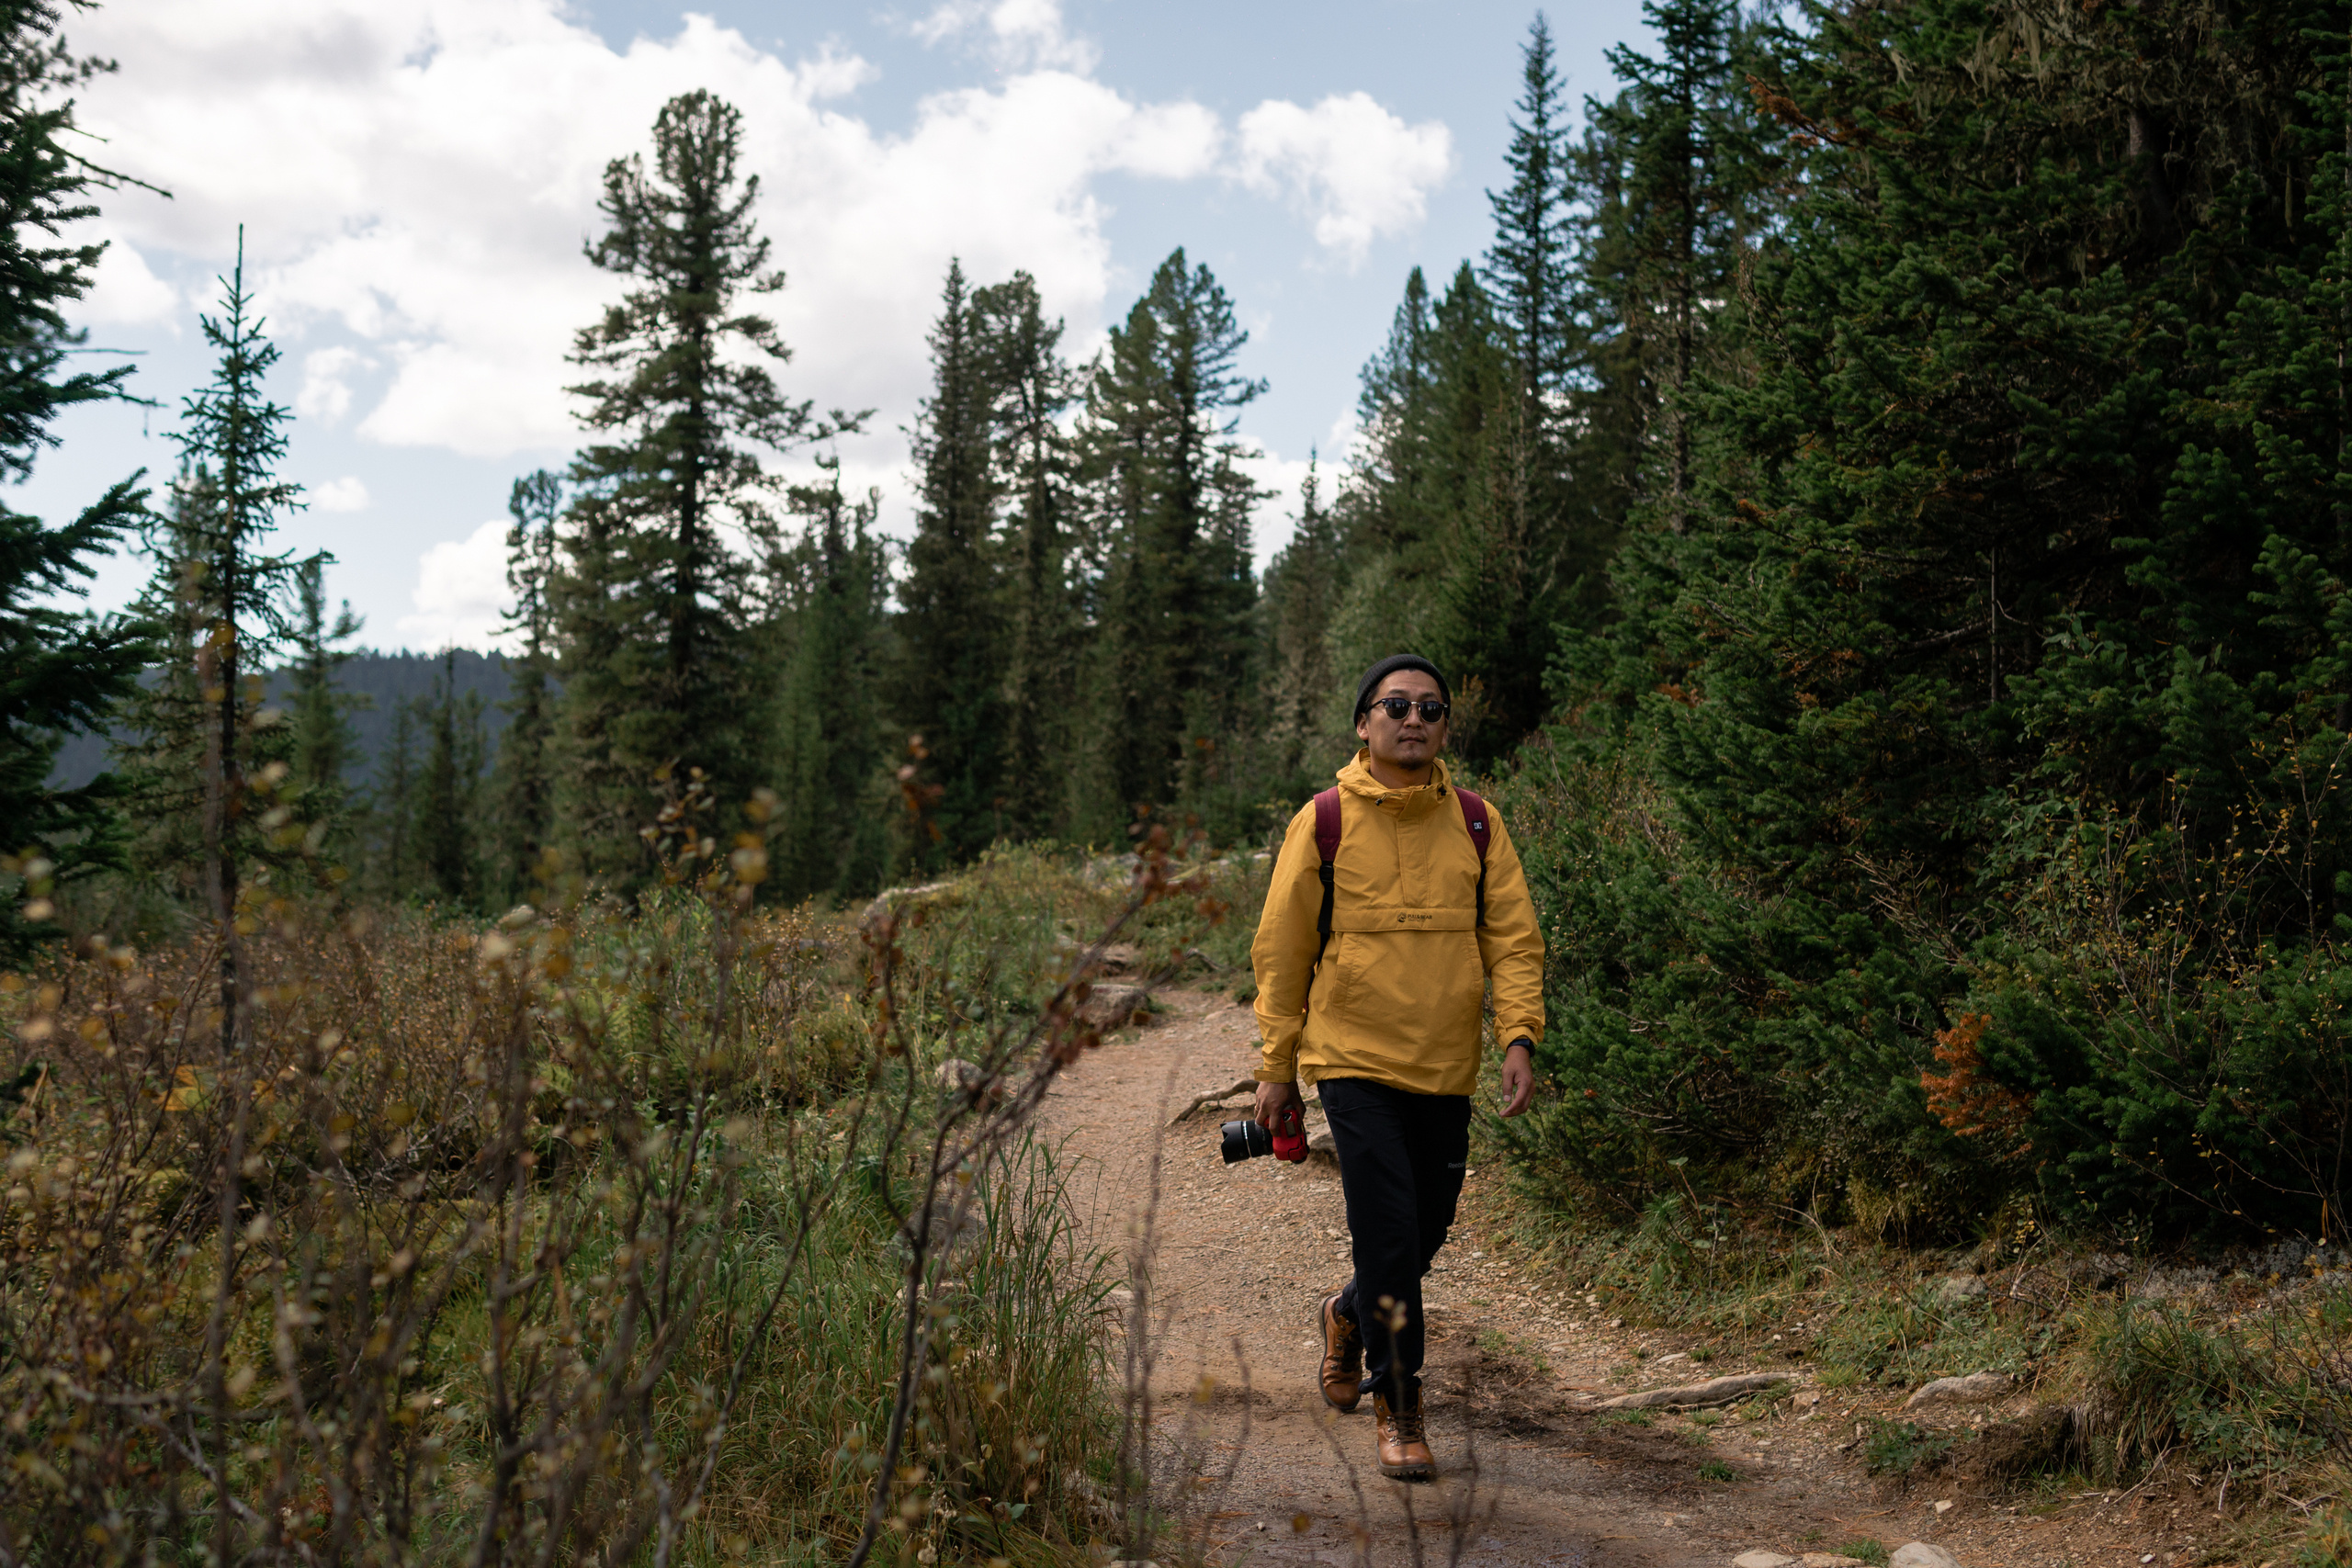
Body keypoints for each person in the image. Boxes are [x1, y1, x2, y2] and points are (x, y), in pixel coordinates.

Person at [1248, 653, 1544, 1482]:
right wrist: (1277, 1066)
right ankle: (1400, 1401)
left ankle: (1347, 1313)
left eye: (1430, 708)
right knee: (1387, 1230)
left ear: (1445, 725)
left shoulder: (1479, 822)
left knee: (1423, 1232)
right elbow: (1282, 949)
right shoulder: (1326, 820)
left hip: (1445, 1065)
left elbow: (1514, 939)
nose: (1413, 719)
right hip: (1354, 1059)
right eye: (1395, 706)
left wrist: (1518, 1035)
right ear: (1364, 723)